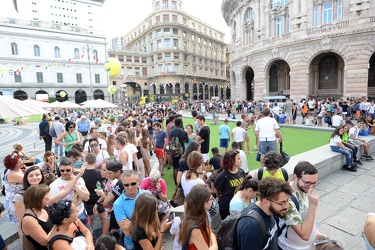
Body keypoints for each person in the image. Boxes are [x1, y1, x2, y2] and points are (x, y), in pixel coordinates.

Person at [278, 161, 324, 250]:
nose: (311, 187)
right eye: (307, 183)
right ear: (295, 177)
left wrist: (316, 233)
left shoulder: (303, 189)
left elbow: (306, 216)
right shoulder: (286, 199)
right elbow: (304, 235)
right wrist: (313, 205)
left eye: (314, 183)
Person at [236, 177, 293, 250]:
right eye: (282, 203)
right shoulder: (251, 226)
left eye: (287, 201)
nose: (286, 206)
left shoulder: (270, 210)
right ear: (266, 202)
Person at [49, 157, 91, 230]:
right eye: (62, 170)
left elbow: (86, 197)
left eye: (68, 170)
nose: (65, 172)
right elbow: (54, 204)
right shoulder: (54, 185)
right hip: (66, 219)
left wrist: (74, 185)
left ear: (72, 168)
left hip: (81, 214)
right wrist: (76, 203)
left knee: (87, 235)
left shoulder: (80, 180)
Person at [113, 170, 151, 250]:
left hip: (150, 237)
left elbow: (154, 220)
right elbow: (126, 232)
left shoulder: (148, 195)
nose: (130, 187)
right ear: (123, 185)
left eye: (133, 183)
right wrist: (145, 223)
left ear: (138, 181)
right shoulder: (118, 203)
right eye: (126, 185)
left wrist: (132, 224)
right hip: (131, 242)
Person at [178, 184, 218, 250]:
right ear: (204, 203)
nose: (212, 201)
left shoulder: (193, 218)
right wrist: (213, 238)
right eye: (211, 199)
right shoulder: (194, 229)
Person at [214, 150, 247, 220]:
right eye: (238, 159)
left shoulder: (241, 172)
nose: (241, 160)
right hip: (226, 207)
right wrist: (218, 197)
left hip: (239, 206)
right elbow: (216, 188)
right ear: (231, 161)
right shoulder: (223, 175)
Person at [21, 185, 53, 250]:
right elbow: (45, 241)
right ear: (38, 199)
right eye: (47, 194)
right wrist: (60, 225)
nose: (49, 196)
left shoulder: (45, 208)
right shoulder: (28, 220)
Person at [81, 153, 105, 232]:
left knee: (90, 219)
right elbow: (103, 183)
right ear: (95, 161)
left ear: (86, 161)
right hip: (100, 198)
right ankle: (104, 233)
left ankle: (91, 234)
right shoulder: (99, 172)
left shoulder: (82, 173)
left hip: (88, 198)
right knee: (103, 217)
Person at [3, 153, 24, 225]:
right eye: (19, 162)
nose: (21, 163)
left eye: (21, 161)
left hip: (20, 199)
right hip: (14, 202)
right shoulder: (12, 174)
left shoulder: (18, 169)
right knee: (22, 224)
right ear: (12, 164)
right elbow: (28, 180)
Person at [169, 118, 188, 185]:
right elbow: (187, 140)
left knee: (175, 167)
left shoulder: (171, 131)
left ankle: (176, 182)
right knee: (182, 166)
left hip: (173, 151)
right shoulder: (183, 132)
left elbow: (170, 140)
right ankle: (181, 181)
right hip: (182, 151)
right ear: (180, 124)